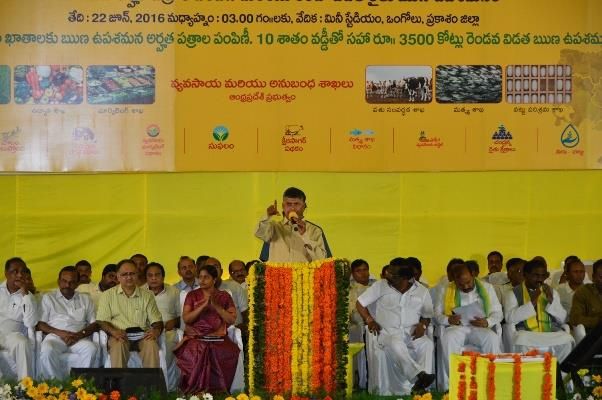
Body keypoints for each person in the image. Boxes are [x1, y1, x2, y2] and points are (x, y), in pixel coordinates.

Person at [357, 260, 435, 394]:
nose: (388, 276)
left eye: (393, 275)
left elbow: (427, 315)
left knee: (427, 344)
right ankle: (419, 378)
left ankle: (421, 388)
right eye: (389, 272)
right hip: (387, 333)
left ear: (405, 278)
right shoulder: (380, 286)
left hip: (412, 333)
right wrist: (369, 320)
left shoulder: (422, 291)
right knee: (396, 343)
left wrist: (423, 325)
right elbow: (360, 303)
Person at [435, 263, 502, 390]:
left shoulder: (487, 288)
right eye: (460, 284)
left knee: (492, 339)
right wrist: (448, 319)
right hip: (457, 328)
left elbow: (498, 313)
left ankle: (491, 381)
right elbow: (437, 315)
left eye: (468, 282)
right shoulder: (445, 289)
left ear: (473, 274)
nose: (465, 287)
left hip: (480, 327)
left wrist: (487, 322)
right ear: (454, 281)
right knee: (448, 338)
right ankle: (454, 383)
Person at [174, 264, 240, 394]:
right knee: (195, 351)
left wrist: (217, 307)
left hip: (219, 338)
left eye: (206, 277)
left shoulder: (224, 296)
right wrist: (203, 306)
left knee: (229, 351)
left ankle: (219, 391)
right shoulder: (192, 295)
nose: (202, 280)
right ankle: (196, 392)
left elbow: (231, 320)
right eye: (200, 277)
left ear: (214, 279)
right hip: (196, 338)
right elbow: (186, 319)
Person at [96, 259, 163, 368]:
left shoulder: (147, 296)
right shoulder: (107, 295)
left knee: (151, 345)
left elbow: (157, 321)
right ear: (118, 276)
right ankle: (118, 379)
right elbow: (101, 321)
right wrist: (113, 331)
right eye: (124, 274)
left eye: (132, 274)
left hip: (142, 335)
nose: (129, 277)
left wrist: (156, 330)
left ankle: (151, 380)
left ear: (137, 275)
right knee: (118, 345)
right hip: (119, 334)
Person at [504, 259, 574, 361]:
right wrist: (532, 302)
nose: (540, 279)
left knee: (566, 340)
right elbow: (509, 318)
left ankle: (558, 371)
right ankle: (529, 370)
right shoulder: (512, 293)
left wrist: (551, 301)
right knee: (521, 339)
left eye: (542, 276)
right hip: (528, 334)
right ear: (525, 275)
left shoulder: (552, 292)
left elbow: (563, 319)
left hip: (550, 333)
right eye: (536, 275)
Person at [37, 266, 99, 379]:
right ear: (58, 281)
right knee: (47, 350)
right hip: (55, 337)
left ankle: (80, 384)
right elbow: (41, 324)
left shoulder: (85, 299)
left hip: (78, 338)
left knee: (91, 349)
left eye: (72, 282)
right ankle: (54, 384)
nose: (67, 285)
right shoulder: (49, 298)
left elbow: (94, 324)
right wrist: (61, 333)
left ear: (77, 283)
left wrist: (79, 335)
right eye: (64, 281)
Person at [255, 187, 332, 262]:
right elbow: (259, 233)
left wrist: (305, 235)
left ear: (304, 206)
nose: (292, 208)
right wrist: (267, 215)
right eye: (288, 204)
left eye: (296, 204)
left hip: (305, 271)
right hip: (278, 271)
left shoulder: (315, 230)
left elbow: (322, 260)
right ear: (283, 206)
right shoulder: (274, 227)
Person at [144, 262, 181, 391]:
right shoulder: (140, 292)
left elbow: (182, 315)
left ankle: (169, 388)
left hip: (168, 330)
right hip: (147, 331)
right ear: (146, 278)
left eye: (157, 275)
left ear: (163, 276)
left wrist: (174, 321)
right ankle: (149, 388)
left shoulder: (174, 292)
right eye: (150, 275)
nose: (154, 278)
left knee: (166, 351)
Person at [561, 259, 602, 374]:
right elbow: (575, 319)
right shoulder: (583, 292)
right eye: (601, 277)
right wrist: (598, 321)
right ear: (593, 277)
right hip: (592, 336)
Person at [0, 257, 38, 379]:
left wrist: (25, 294)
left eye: (23, 271)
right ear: (6, 273)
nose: (20, 275)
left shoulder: (29, 297)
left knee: (22, 343)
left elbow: (31, 323)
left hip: (13, 336)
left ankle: (26, 386)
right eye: (15, 271)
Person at [348, 258, 375, 389]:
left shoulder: (376, 286)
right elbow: (351, 310)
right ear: (353, 274)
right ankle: (360, 379)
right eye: (358, 271)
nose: (363, 273)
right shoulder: (350, 289)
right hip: (357, 324)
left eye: (365, 270)